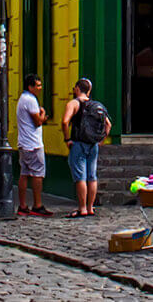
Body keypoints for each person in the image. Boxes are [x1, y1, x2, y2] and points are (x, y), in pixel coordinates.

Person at [62, 78, 110, 217]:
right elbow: (108, 125)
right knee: (92, 176)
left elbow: (65, 122)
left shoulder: (74, 103)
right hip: (93, 144)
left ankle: (82, 208)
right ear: (89, 91)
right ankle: (90, 207)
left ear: (77, 88)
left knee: (80, 177)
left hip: (79, 143)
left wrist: (67, 139)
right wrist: (101, 140)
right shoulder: (97, 105)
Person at [15, 75, 50, 216]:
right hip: (33, 143)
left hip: (23, 143)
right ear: (30, 86)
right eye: (38, 85)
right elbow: (38, 122)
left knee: (24, 173)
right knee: (37, 174)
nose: (40, 88)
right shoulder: (31, 100)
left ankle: (23, 205)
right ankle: (37, 204)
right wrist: (43, 114)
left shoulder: (22, 99)